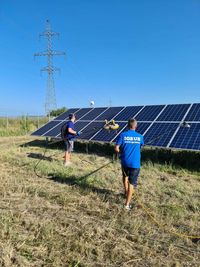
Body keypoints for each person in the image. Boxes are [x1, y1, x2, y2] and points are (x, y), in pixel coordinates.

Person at [115, 118, 144, 210]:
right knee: (132, 183)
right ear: (136, 126)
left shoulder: (123, 135)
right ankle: (127, 204)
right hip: (135, 164)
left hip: (125, 161)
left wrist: (120, 153)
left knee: (125, 177)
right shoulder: (140, 136)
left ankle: (125, 192)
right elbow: (141, 147)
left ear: (127, 125)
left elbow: (116, 148)